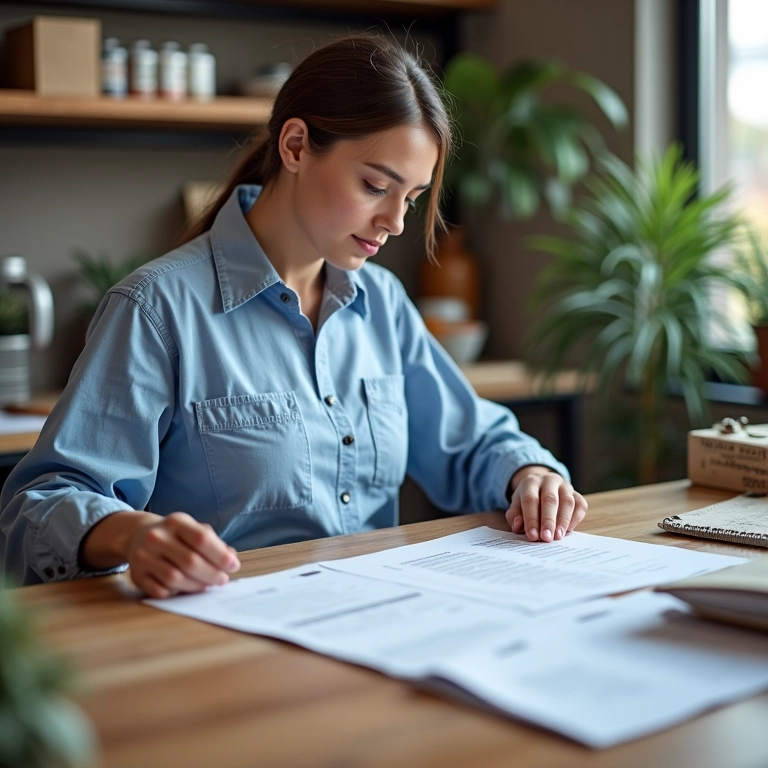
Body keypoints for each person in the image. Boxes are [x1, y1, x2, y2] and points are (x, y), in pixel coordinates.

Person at [0, 34, 587, 597]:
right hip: (219, 645)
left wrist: (528, 476)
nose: (397, 222)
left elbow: (469, 440)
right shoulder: (157, 310)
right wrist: (133, 533)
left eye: (410, 198)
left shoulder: (381, 303)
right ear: (297, 146)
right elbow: (40, 504)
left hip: (374, 626)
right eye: (375, 186)